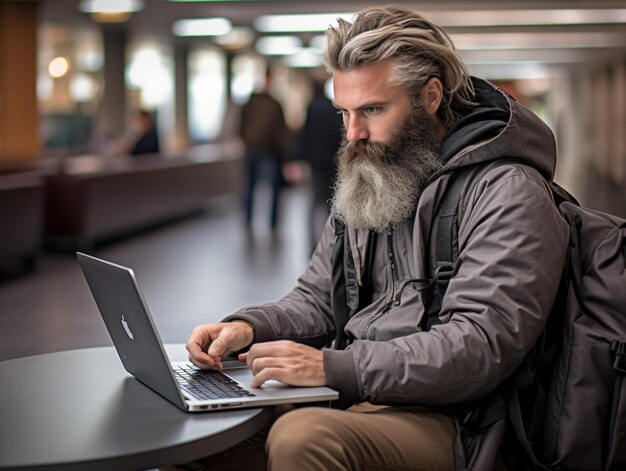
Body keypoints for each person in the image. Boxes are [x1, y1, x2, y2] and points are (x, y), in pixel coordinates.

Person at [183, 6, 569, 470]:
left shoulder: (506, 191)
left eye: (372, 110)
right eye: (344, 111)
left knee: (303, 438)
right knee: (198, 435)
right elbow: (316, 299)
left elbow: (480, 344)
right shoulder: (373, 175)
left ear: (430, 96)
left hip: (460, 421)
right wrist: (247, 327)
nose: (353, 133)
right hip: (356, 394)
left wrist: (333, 368)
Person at [239, 68, 289, 242]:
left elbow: (241, 125)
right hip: (268, 152)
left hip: (255, 150)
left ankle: (250, 222)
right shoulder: (274, 104)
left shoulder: (250, 102)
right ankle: (272, 225)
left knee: (251, 187)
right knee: (272, 188)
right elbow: (282, 131)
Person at [296, 69, 343, 251]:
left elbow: (304, 134)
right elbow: (338, 132)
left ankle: (312, 244)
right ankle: (329, 242)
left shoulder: (311, 107)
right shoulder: (331, 108)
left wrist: (300, 157)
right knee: (330, 202)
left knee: (314, 202)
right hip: (331, 161)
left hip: (315, 161)